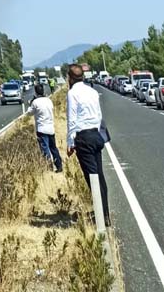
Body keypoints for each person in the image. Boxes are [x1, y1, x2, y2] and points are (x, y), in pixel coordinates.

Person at [67, 63, 110, 224]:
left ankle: (100, 217)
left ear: (70, 78)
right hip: (96, 134)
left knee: (92, 177)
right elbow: (99, 115)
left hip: (83, 137)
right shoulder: (92, 91)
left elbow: (72, 119)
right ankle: (104, 212)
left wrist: (70, 142)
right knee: (99, 175)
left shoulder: (73, 94)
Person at [26, 84, 62, 172]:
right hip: (50, 128)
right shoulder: (49, 100)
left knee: (45, 149)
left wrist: (31, 103)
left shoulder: (35, 102)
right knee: (53, 148)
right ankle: (59, 165)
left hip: (41, 129)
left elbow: (29, 113)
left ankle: (49, 167)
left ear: (35, 92)